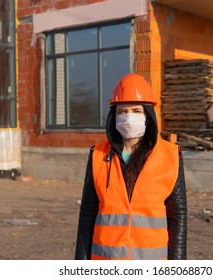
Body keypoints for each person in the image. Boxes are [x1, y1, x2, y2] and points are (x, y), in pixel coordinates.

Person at [74, 73, 187, 260]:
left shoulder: (170, 156)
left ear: (148, 116)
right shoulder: (98, 155)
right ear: (113, 116)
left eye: (136, 111)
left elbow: (177, 217)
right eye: (122, 112)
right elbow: (87, 213)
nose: (128, 118)